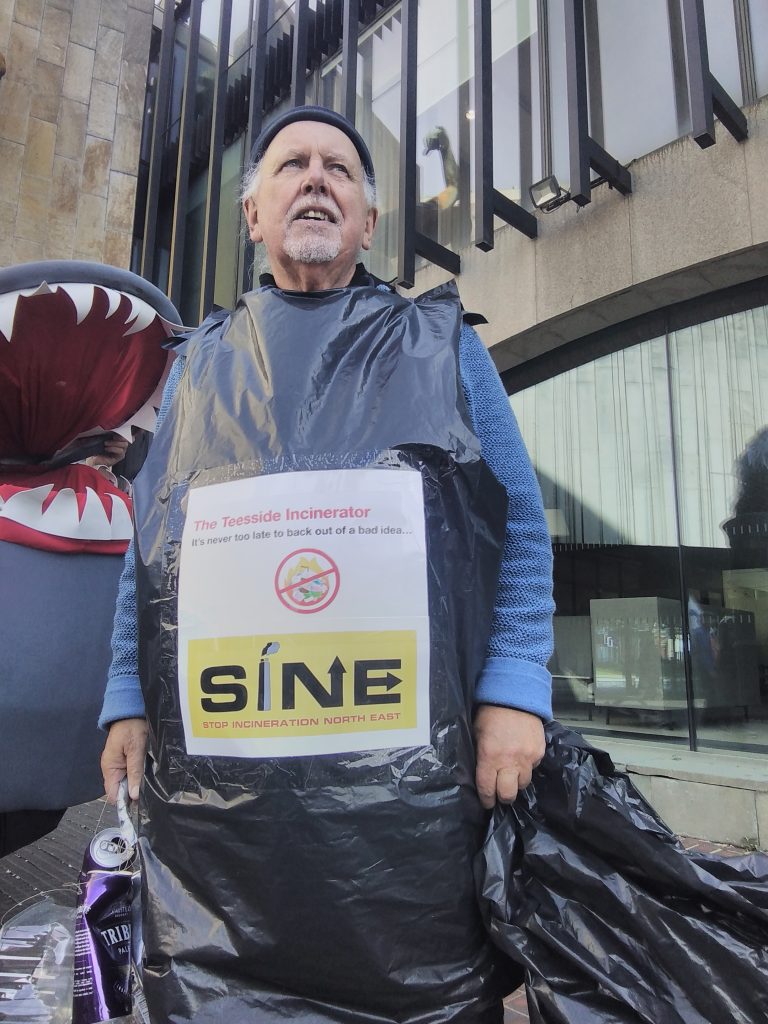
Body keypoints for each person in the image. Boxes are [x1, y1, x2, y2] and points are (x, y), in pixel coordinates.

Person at [99, 105, 554, 1023]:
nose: (316, 178)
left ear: (368, 221)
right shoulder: (191, 372)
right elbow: (150, 557)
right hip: (226, 826)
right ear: (254, 213)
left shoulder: (446, 346)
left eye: (339, 169)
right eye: (292, 165)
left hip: (401, 826)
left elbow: (524, 532)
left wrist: (514, 687)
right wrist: (126, 693)